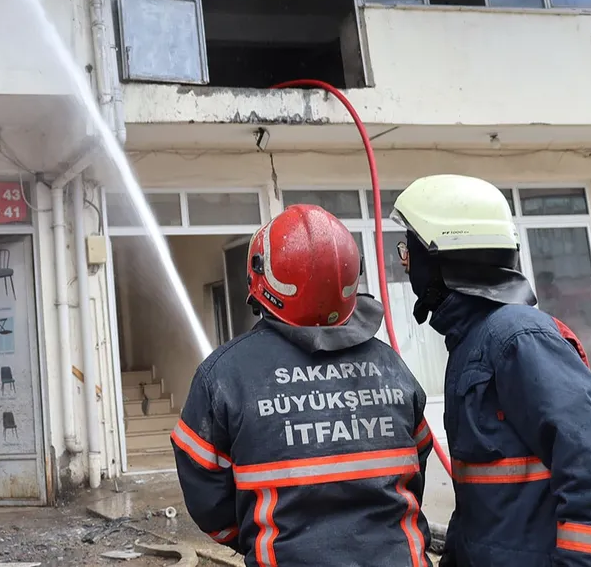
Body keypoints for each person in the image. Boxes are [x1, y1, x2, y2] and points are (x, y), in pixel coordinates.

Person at [391, 174, 591, 566]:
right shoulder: (475, 341)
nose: (406, 265)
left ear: (445, 253)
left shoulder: (517, 338)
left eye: (411, 251)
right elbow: (486, 504)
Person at [171, 204, 433, 567]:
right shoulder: (390, 366)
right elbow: (416, 466)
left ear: (260, 276)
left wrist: (259, 534)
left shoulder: (223, 375)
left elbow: (206, 497)